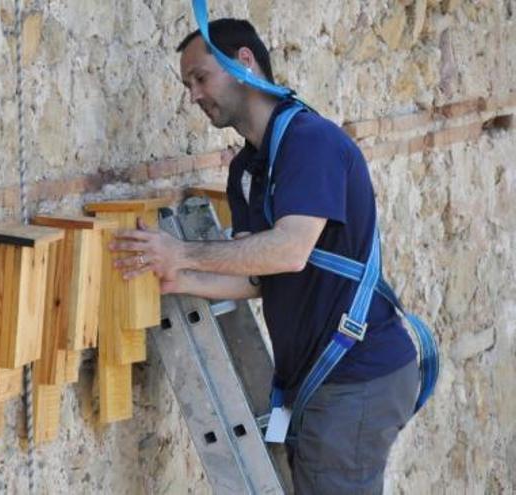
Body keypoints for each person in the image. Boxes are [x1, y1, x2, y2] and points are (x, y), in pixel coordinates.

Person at [110, 18, 419, 494]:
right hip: (321, 383)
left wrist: (182, 251)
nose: (193, 95)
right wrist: (177, 276)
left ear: (245, 62)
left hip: (356, 375)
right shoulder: (247, 169)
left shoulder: (310, 142)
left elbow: (290, 250)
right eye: (188, 85)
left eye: (200, 77)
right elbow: (256, 276)